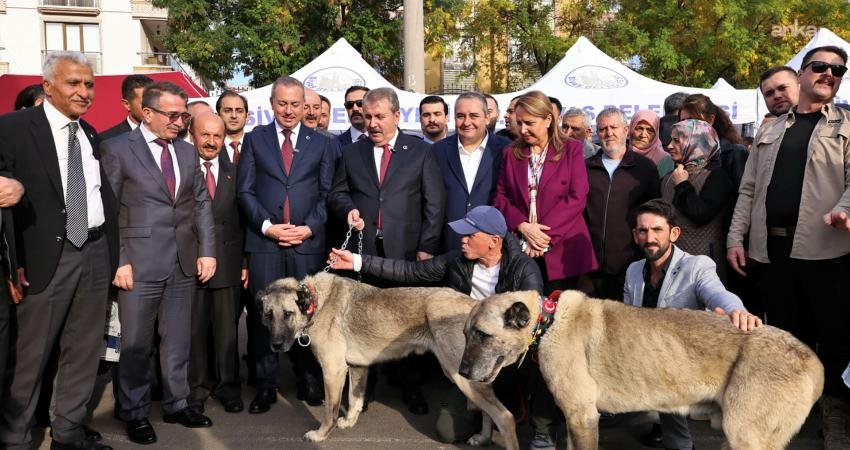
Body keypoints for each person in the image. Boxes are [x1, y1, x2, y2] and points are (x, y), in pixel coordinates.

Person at [325, 206, 550, 447]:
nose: (462, 241)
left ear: (494, 241)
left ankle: (531, 419)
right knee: (447, 431)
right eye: (463, 234)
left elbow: (529, 328)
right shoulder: (457, 260)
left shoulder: (524, 269)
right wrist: (357, 261)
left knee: (533, 377)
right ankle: (485, 416)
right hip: (471, 356)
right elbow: (410, 271)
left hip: (508, 357)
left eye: (470, 236)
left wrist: (497, 365)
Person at [727, 45, 850, 447]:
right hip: (772, 254)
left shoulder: (846, 125)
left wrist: (843, 209)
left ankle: (834, 413)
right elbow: (747, 190)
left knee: (833, 338)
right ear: (802, 74)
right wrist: (735, 237)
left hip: (826, 252)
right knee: (784, 338)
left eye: (838, 69)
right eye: (820, 67)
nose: (829, 73)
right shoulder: (770, 129)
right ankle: (788, 413)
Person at [0, 51, 116, 450]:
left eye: (89, 84)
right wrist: (13, 262)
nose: (84, 92)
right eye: (74, 83)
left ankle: (68, 432)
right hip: (46, 258)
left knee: (84, 351)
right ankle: (14, 439)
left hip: (95, 250)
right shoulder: (14, 128)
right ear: (48, 86)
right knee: (31, 356)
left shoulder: (88, 133)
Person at [101, 81, 216, 445]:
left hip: (183, 262)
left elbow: (200, 204)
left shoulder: (185, 151)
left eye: (184, 115)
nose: (180, 121)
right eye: (173, 114)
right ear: (147, 113)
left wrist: (207, 250)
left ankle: (177, 403)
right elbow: (108, 210)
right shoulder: (117, 149)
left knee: (178, 341)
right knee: (135, 344)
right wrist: (118, 261)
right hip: (137, 264)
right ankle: (134, 412)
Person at [329, 87, 445, 414]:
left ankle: (411, 388)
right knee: (365, 321)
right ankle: (365, 390)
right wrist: (348, 209)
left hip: (406, 254)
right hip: (362, 253)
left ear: (397, 116)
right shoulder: (352, 153)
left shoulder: (420, 152)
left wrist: (426, 248)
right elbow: (337, 194)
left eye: (380, 116)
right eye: (367, 117)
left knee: (404, 321)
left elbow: (434, 204)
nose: (373, 123)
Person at [625, 199, 762, 450]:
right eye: (643, 231)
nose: (649, 237)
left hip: (689, 360)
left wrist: (738, 311)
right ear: (635, 235)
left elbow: (717, 293)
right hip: (648, 359)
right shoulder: (633, 271)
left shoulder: (697, 265)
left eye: (657, 230)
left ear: (674, 233)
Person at [236, 76, 336, 413]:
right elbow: (245, 190)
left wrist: (308, 228)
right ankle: (266, 384)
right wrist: (268, 227)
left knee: (307, 313)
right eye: (283, 104)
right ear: (272, 104)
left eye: (297, 104)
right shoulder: (255, 140)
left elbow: (327, 193)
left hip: (307, 243)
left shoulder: (321, 142)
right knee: (265, 316)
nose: (290, 110)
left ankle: (308, 378)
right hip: (265, 243)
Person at [493, 90, 597, 294]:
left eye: (529, 123)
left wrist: (541, 236)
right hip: (523, 250)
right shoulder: (510, 154)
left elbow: (577, 196)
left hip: (564, 252)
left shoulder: (571, 150)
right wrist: (523, 226)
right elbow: (500, 198)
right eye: (519, 122)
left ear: (548, 120)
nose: (523, 130)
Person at [187, 113, 246, 415]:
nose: (211, 142)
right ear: (193, 134)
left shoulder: (234, 172)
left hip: (228, 261)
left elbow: (243, 219)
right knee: (194, 331)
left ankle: (228, 387)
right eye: (205, 135)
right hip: (190, 263)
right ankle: (195, 390)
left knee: (227, 331)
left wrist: (245, 261)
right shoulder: (182, 168)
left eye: (217, 136)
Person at [582, 107, 660, 300]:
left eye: (614, 127)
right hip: (588, 267)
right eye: (603, 129)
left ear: (626, 130)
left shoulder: (644, 169)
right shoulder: (586, 167)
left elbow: (654, 212)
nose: (609, 133)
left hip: (629, 264)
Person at [431, 92, 510, 251]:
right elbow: (430, 202)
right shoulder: (437, 151)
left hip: (492, 245)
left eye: (474, 116)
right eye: (460, 116)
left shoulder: (506, 149)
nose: (467, 122)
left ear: (487, 118)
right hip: (449, 244)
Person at [662, 119, 734, 282]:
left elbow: (701, 214)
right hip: (670, 263)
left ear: (696, 142)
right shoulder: (669, 177)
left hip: (704, 264)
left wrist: (682, 185)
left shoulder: (716, 176)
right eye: (670, 140)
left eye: (676, 141)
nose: (669, 146)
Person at [679, 93, 748, 192]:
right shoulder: (684, 155)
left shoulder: (734, 152)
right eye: (682, 121)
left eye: (691, 120)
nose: (685, 126)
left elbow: (744, 193)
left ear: (710, 120)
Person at [100, 75, 153, 140]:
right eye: (145, 103)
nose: (152, 107)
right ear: (127, 104)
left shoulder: (166, 133)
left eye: (155, 102)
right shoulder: (107, 139)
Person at [628, 109, 674, 177]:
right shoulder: (619, 154)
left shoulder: (665, 160)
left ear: (656, 134)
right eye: (639, 128)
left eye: (650, 130)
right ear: (631, 129)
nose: (643, 135)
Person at [216, 89, 249, 164]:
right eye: (227, 110)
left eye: (239, 111)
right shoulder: (210, 147)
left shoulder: (259, 146)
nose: (234, 116)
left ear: (247, 116)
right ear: (217, 115)